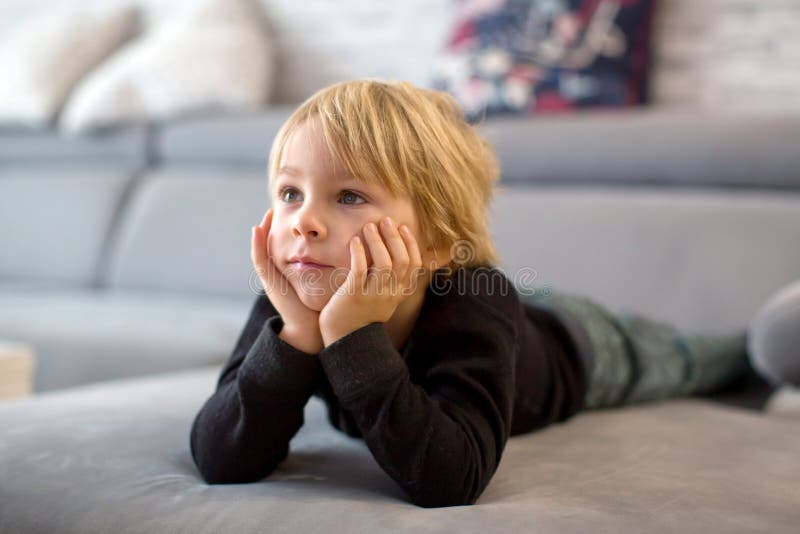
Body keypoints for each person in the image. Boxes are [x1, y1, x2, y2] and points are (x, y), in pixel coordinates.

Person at [189, 79, 780, 508]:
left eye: (348, 197)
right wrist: (297, 338)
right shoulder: (289, 306)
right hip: (518, 319)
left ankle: (756, 343)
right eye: (290, 193)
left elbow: (450, 479)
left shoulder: (474, 298)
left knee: (686, 358)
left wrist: (351, 336)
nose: (303, 223)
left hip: (580, 347)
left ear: (439, 242)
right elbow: (220, 459)